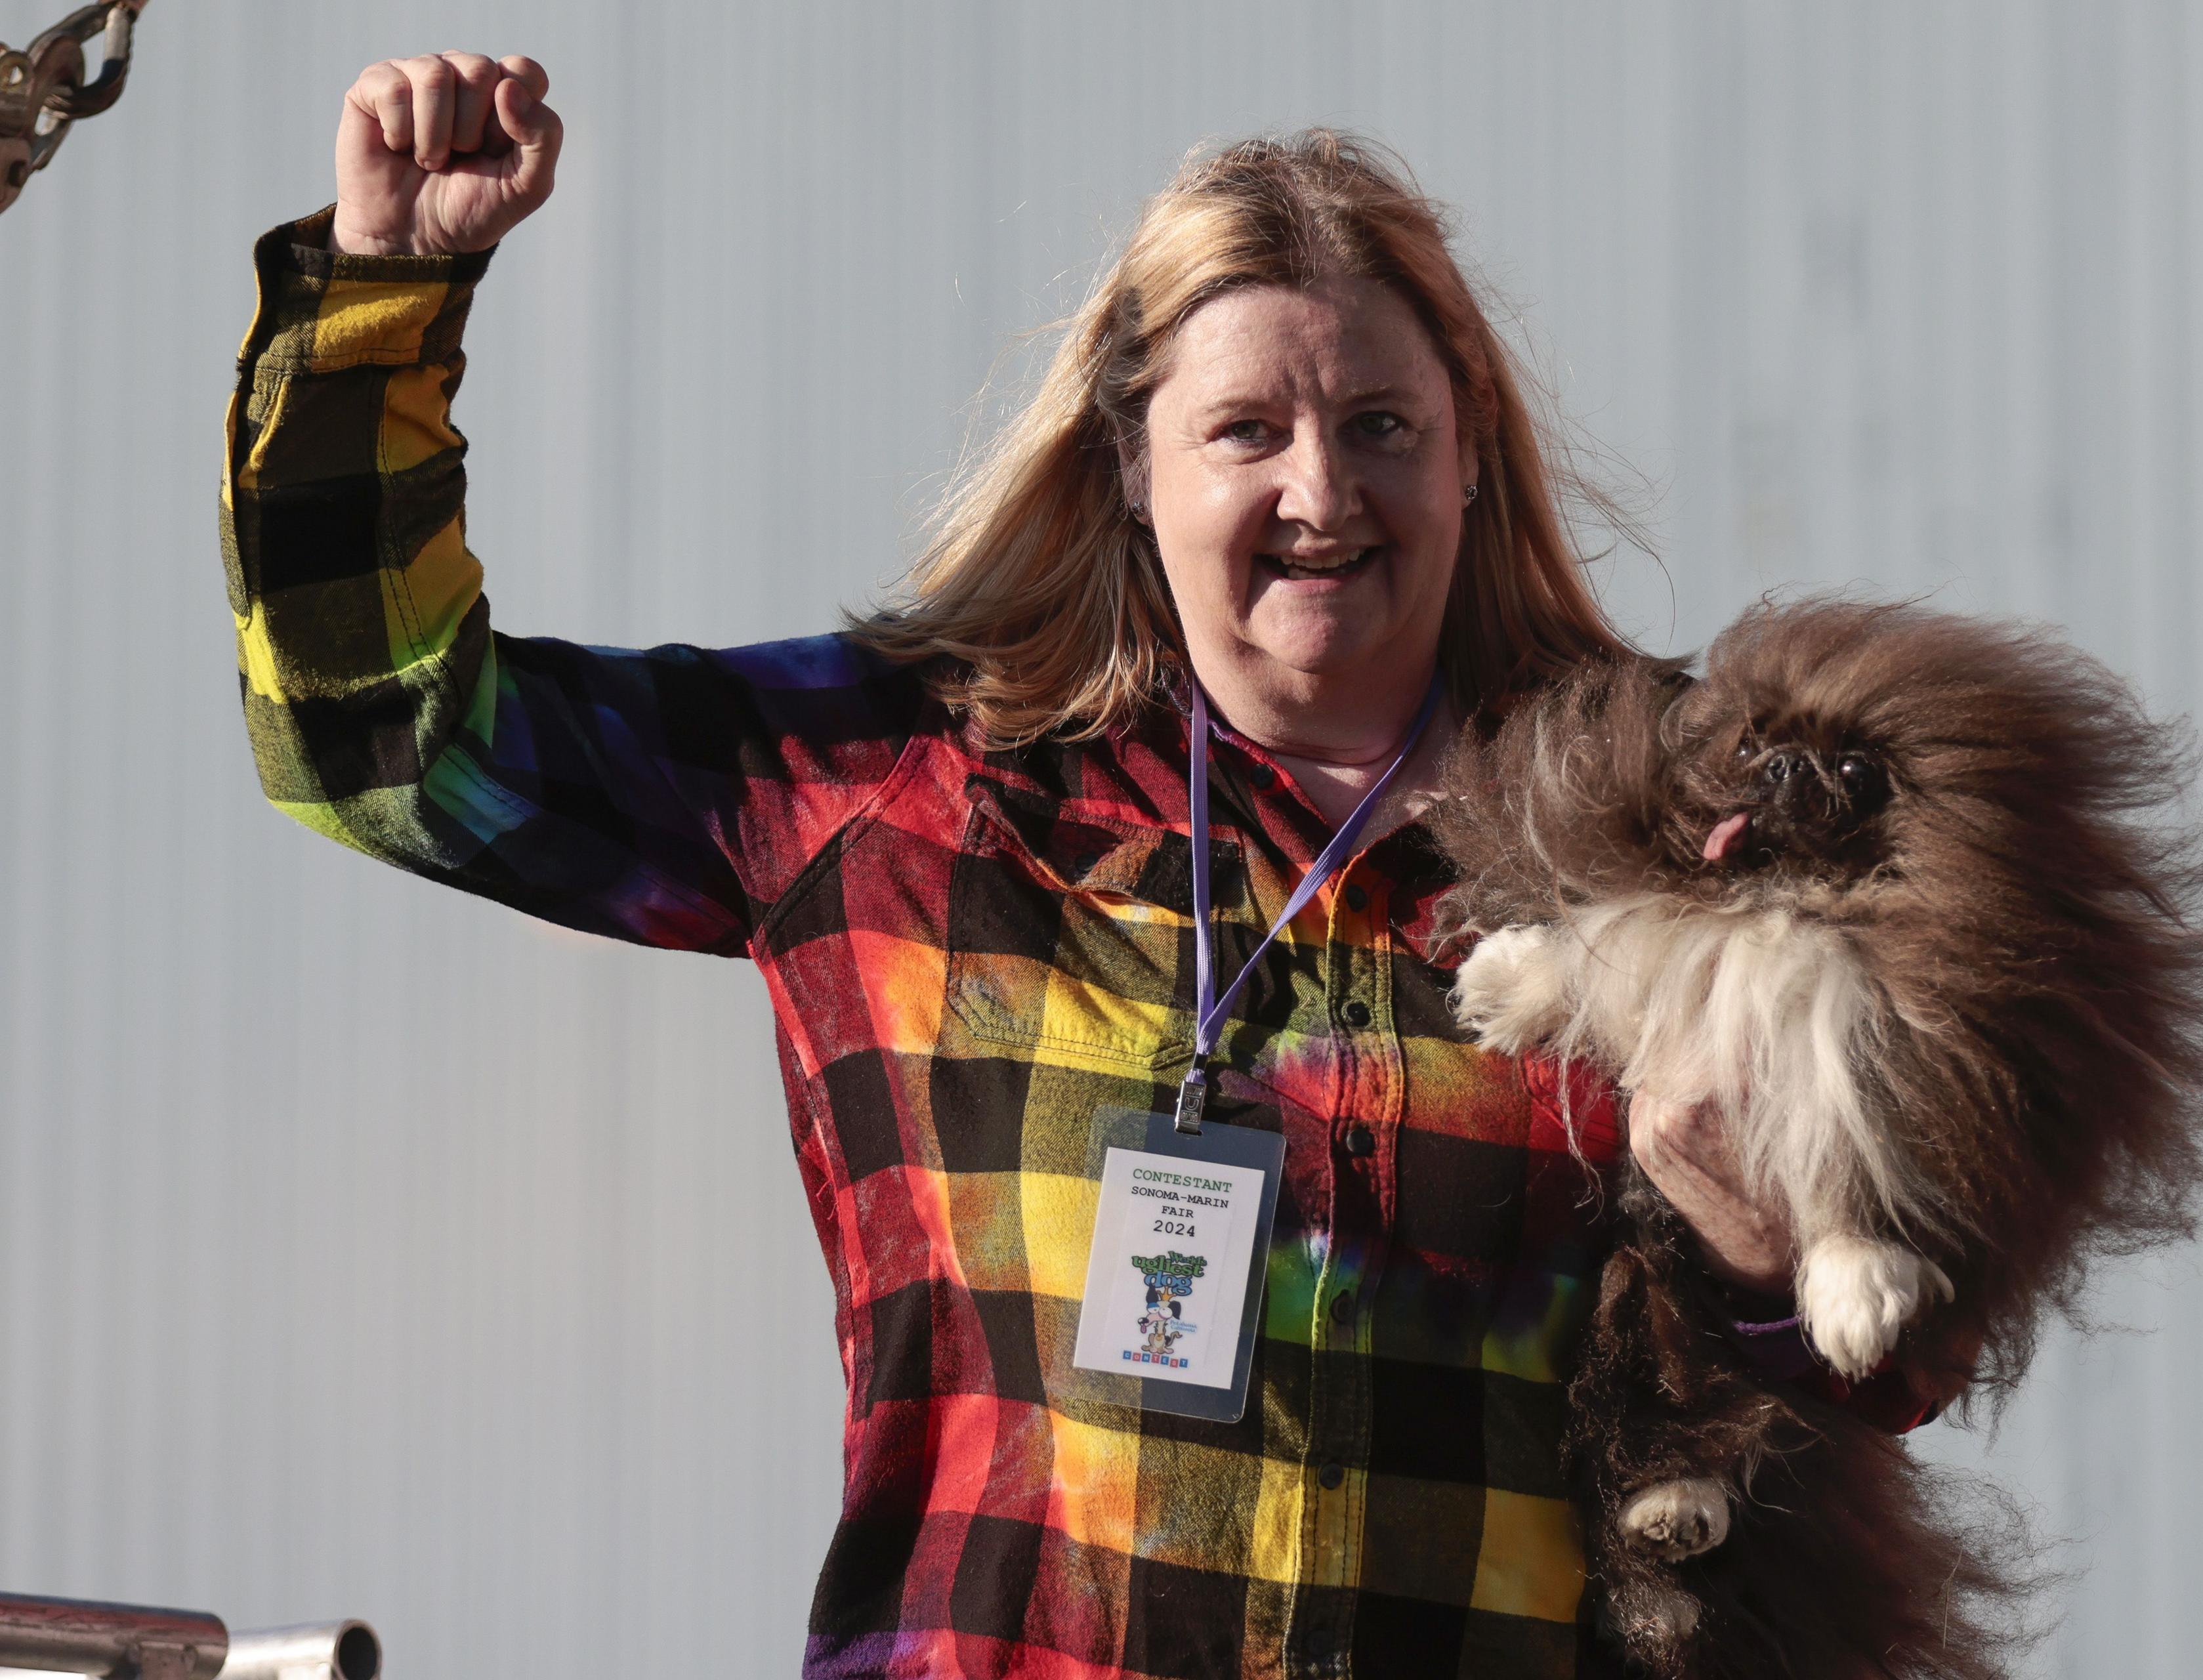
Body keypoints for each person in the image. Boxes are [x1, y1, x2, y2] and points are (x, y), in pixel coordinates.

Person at [222, 51, 1927, 1680]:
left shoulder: (1664, 832)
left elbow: (1898, 1347)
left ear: (1471, 446)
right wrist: (382, 296)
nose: (1322, 488)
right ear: (1132, 463)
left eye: (1384, 424)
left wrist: (1756, 1251)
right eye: (1246, 428)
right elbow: (383, 743)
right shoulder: (902, 790)